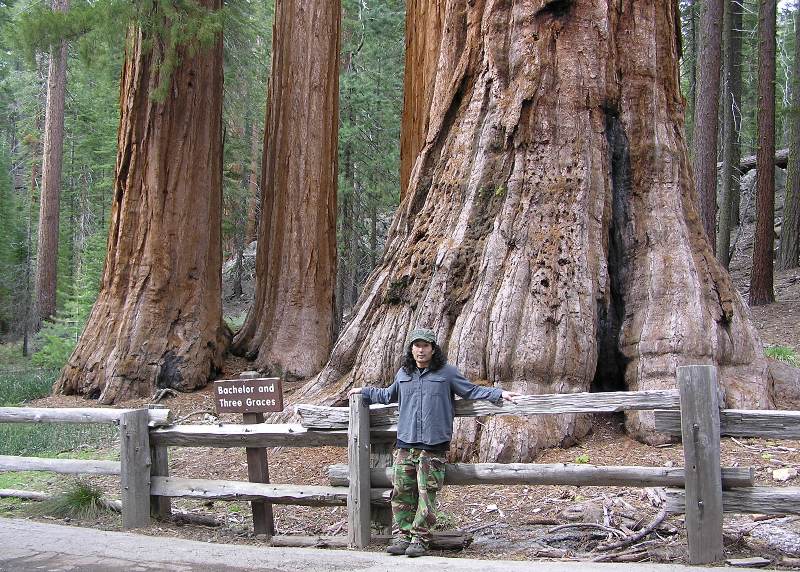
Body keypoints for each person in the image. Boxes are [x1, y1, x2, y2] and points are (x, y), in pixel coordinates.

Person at [348, 327, 520, 557]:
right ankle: (403, 536)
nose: (421, 350)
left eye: (425, 345)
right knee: (401, 493)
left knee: (426, 494)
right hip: (405, 443)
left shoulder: (446, 373)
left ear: (433, 348)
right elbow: (387, 395)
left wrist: (498, 393)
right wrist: (364, 392)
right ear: (411, 349)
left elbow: (470, 391)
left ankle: (420, 539)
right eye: (417, 345)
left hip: (433, 445)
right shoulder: (403, 373)